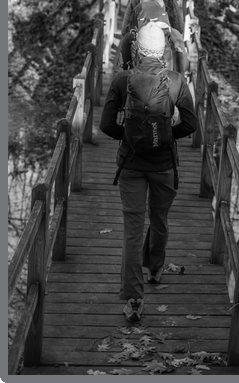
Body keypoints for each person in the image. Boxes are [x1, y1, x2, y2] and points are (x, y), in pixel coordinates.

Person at [100, 23, 197, 322]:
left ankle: (133, 299)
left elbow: (105, 125)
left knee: (132, 230)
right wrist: (166, 136)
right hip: (164, 165)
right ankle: (154, 269)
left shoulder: (121, 80)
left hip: (130, 166)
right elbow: (191, 125)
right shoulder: (177, 81)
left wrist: (128, 137)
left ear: (137, 49)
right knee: (159, 219)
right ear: (163, 50)